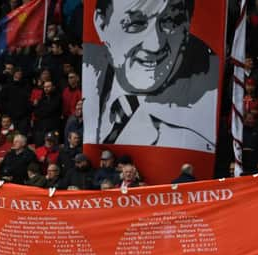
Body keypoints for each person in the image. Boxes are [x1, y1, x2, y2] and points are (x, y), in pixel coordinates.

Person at [84, 0, 219, 151]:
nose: (155, 45)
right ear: (101, 23)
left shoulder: (212, 95)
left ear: (187, 25)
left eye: (170, 22)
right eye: (136, 23)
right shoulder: (87, 68)